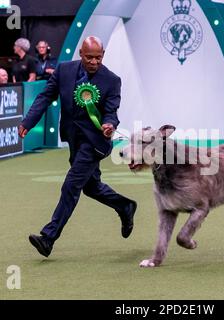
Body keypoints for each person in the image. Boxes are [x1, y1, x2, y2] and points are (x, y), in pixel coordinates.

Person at [19, 36, 137, 258]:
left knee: (71, 186)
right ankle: (125, 206)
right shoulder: (64, 71)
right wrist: (28, 121)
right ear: (81, 54)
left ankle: (48, 237)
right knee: (91, 188)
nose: (94, 62)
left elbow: (112, 110)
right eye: (90, 57)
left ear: (103, 55)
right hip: (74, 139)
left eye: (98, 57)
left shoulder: (112, 80)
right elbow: (45, 97)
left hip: (95, 143)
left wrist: (109, 124)